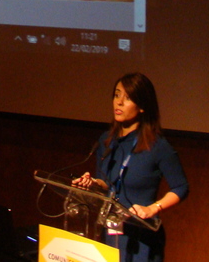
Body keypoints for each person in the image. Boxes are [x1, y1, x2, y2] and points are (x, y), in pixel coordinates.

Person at [72, 72, 189, 262]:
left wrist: (153, 208)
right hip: (110, 232)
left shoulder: (158, 147)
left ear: (142, 106)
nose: (118, 102)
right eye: (117, 95)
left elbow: (181, 187)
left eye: (127, 98)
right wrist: (91, 183)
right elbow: (105, 183)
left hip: (142, 238)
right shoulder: (107, 141)